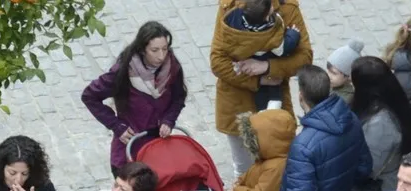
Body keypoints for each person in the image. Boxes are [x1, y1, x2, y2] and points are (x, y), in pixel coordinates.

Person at [210, 0, 315, 174]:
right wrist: (257, 80)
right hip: (237, 103)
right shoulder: (230, 6)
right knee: (245, 170)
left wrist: (267, 67)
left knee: (279, 168)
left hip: (274, 104)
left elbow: (304, 58)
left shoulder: (287, 8)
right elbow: (217, 62)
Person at [82, 23, 187, 170]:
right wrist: (117, 125)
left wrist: (169, 120)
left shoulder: (172, 68)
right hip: (129, 151)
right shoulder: (124, 71)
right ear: (142, 49)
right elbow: (90, 96)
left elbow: (178, 97)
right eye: (154, 50)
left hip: (159, 150)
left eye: (164, 49)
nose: (161, 56)